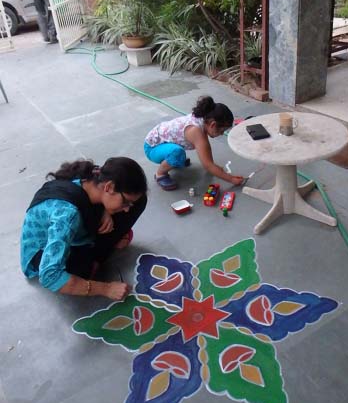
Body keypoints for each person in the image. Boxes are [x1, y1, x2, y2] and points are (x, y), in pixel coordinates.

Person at [20, 157, 147, 300]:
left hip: (78, 228)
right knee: (80, 271)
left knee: (139, 200)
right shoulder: (67, 215)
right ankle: (99, 252)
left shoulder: (95, 176)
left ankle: (99, 252)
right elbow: (49, 275)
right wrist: (106, 289)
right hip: (43, 249)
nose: (126, 210)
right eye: (125, 203)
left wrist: (105, 210)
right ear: (109, 187)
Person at [144, 95, 245, 190]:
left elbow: (206, 149)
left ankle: (174, 159)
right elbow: (207, 165)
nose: (222, 133)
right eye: (221, 130)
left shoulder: (204, 120)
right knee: (177, 153)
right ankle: (160, 174)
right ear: (213, 125)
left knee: (178, 155)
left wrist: (213, 165)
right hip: (152, 148)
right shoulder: (195, 131)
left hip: (161, 143)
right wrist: (231, 179)